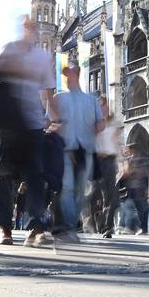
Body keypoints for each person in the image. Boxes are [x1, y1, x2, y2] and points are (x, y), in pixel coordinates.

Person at [0, 18, 56, 247]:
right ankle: (4, 227)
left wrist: (52, 118)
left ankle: (35, 228)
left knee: (35, 177)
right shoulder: (10, 50)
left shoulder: (43, 57)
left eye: (32, 28)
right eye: (26, 27)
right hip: (8, 122)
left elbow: (48, 91)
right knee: (3, 176)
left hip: (33, 122)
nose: (30, 32)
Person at [53, 63, 100, 242]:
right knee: (67, 188)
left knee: (82, 192)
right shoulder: (58, 98)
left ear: (77, 74)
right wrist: (56, 127)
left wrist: (99, 127)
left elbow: (100, 123)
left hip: (85, 149)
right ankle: (69, 228)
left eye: (68, 73)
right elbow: (48, 122)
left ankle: (69, 225)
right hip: (65, 149)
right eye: (64, 74)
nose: (66, 76)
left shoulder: (91, 100)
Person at [93, 96, 120, 239]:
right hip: (100, 162)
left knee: (113, 197)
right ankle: (104, 224)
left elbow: (116, 144)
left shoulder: (113, 123)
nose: (106, 108)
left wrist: (122, 163)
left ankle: (107, 226)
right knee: (105, 196)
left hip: (112, 161)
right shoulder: (95, 125)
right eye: (102, 106)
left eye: (106, 105)